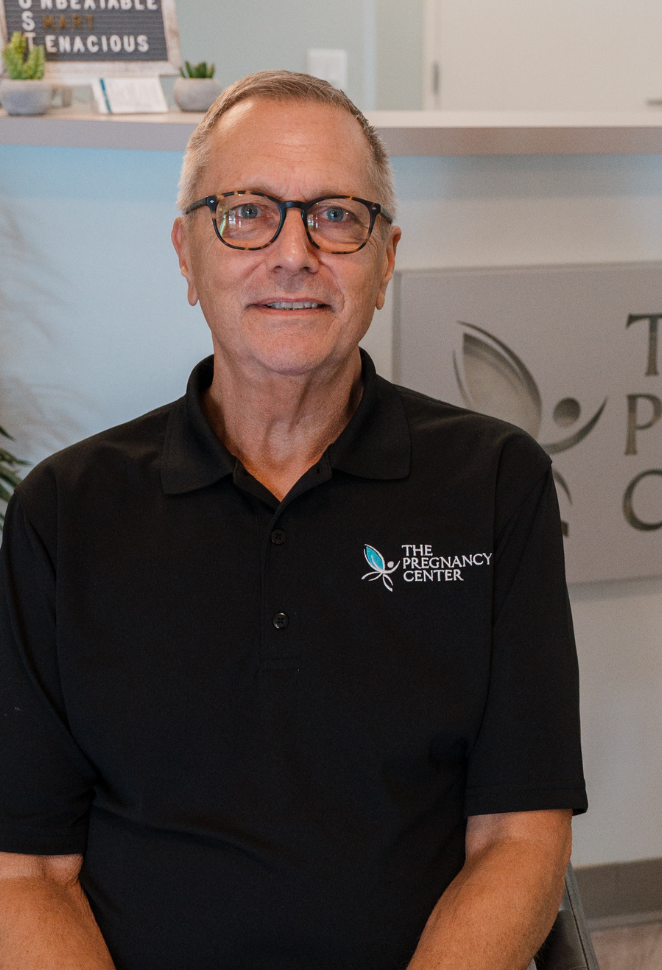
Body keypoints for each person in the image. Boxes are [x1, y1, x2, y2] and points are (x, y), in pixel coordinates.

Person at [0, 71, 586, 970]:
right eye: (246, 213)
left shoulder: (496, 484)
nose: (294, 253)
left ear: (385, 261)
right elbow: (26, 872)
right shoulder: (64, 512)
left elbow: (520, 836)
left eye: (336, 216)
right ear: (187, 254)